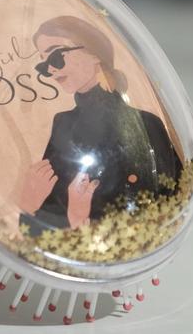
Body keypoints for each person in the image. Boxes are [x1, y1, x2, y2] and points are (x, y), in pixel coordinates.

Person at [18, 16, 182, 231]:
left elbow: (170, 213)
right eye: (43, 65)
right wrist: (29, 205)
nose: (51, 70)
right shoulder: (63, 123)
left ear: (94, 53)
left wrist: (79, 220)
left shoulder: (147, 124)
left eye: (56, 56)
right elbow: (36, 234)